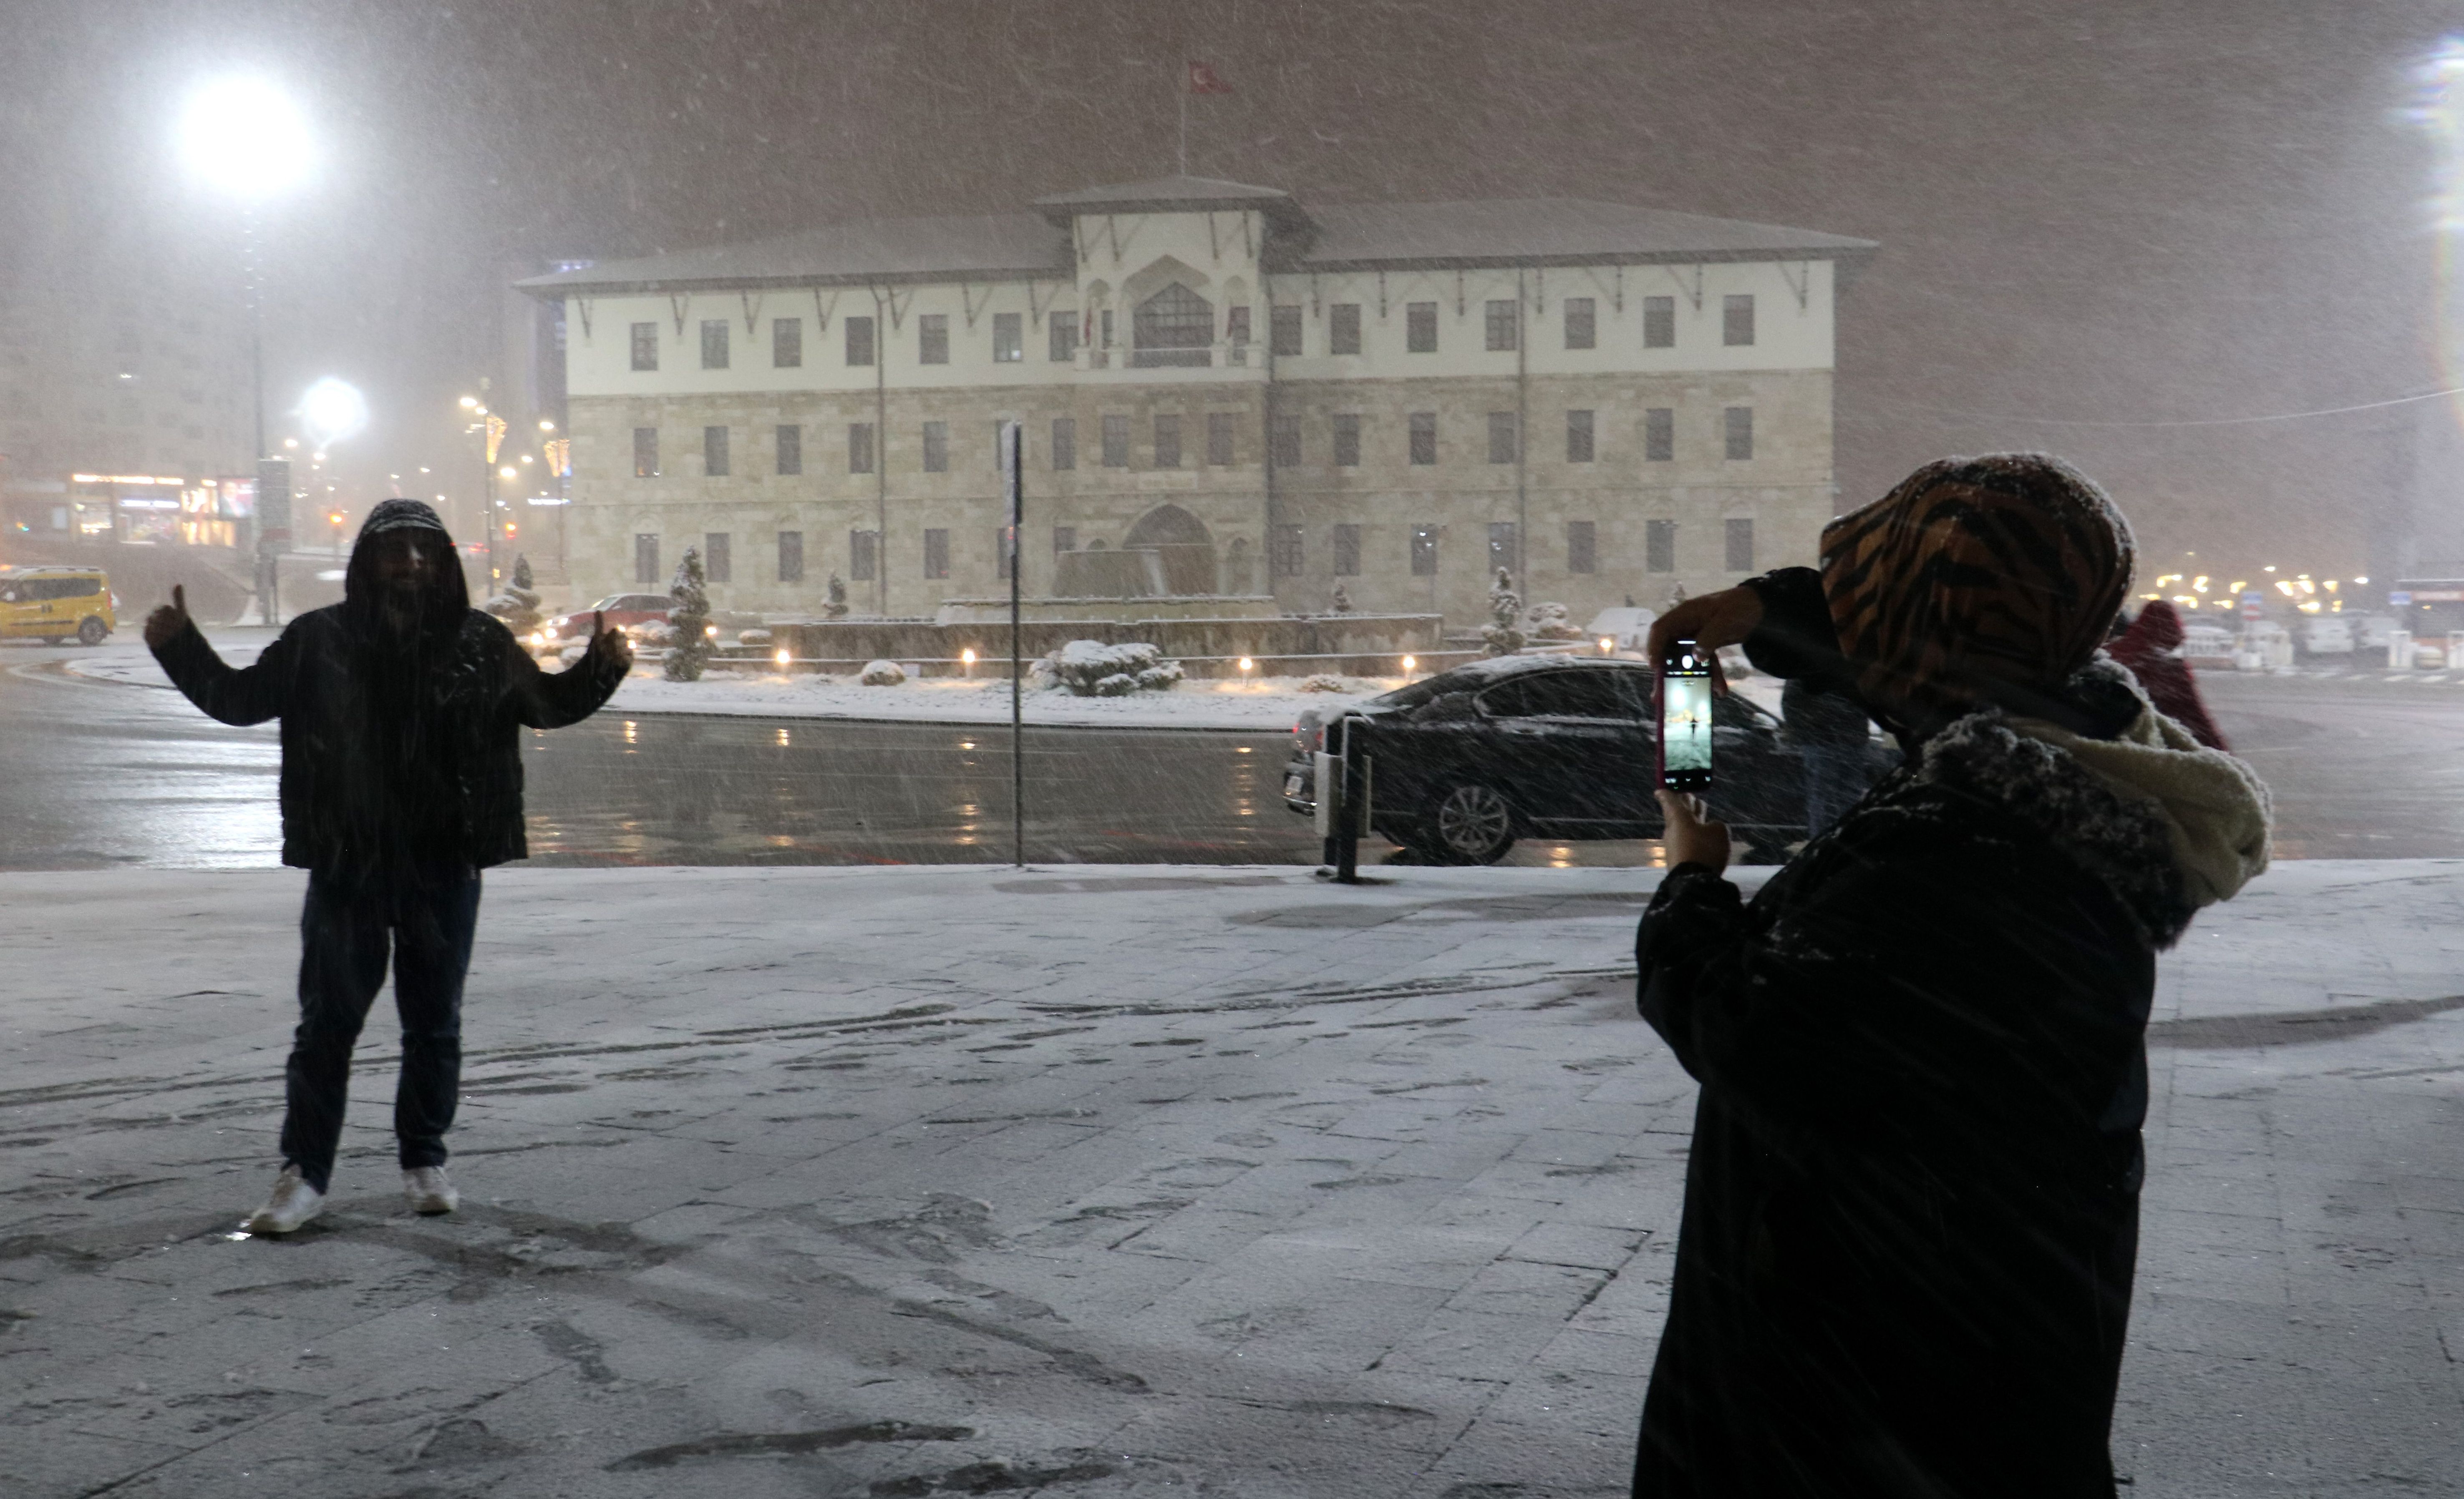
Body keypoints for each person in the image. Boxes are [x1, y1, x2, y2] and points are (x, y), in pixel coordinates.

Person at [1631, 455, 2271, 1496]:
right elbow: (1937, 670)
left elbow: (1745, 1030)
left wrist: (1690, 882)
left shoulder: (1946, 851)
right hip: (1987, 1366)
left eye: (1874, 596)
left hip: (1855, 1397)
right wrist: (1764, 611)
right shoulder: (2067, 759)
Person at [145, 500, 631, 1235]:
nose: (410, 562)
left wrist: (601, 668)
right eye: (394, 548)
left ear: (444, 563)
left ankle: (424, 1159)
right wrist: (181, 647)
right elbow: (242, 700)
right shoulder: (320, 638)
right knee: (327, 1026)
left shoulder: (479, 641)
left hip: (444, 862)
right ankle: (304, 1173)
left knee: (433, 1024)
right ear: (366, 560)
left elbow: (546, 704)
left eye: (424, 550)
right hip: (350, 865)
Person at [2109, 598, 2228, 749]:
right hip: (2157, 747)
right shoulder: (2168, 669)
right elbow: (2198, 721)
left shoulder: (2111, 655)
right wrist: (2220, 751)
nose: (2183, 636)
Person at [1780, 671, 1877, 835]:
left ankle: (1831, 840)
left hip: (1827, 742)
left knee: (1826, 799)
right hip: (1844, 742)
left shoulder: (1811, 668)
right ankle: (1842, 839)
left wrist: (1805, 730)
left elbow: (1792, 702)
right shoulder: (1849, 670)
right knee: (1842, 799)